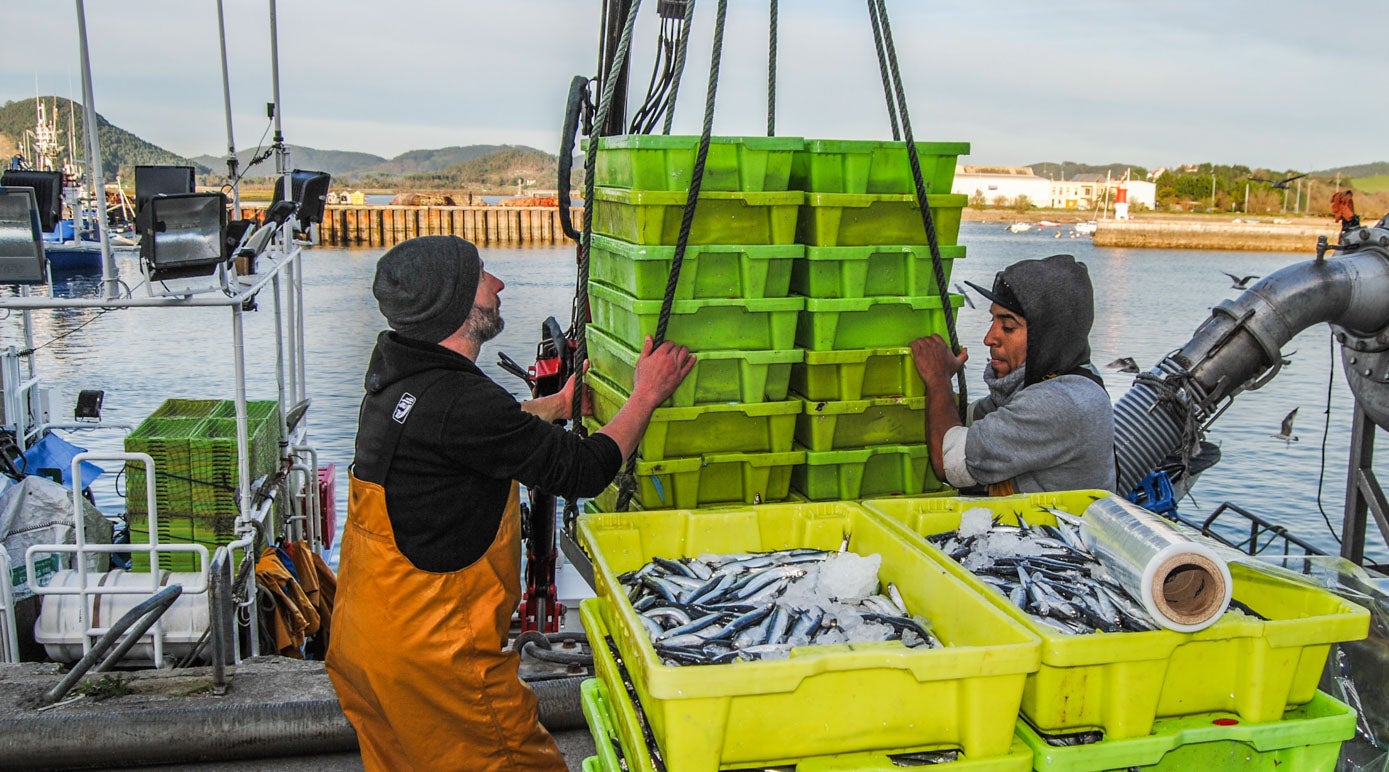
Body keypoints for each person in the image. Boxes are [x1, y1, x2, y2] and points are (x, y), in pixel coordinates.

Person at [326, 235, 694, 771]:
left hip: (366, 644)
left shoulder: (394, 380)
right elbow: (585, 471)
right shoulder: (464, 401)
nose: (498, 285)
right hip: (437, 660)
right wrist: (646, 395)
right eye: (482, 278)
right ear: (453, 306)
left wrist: (557, 404)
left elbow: (476, 435)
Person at [911, 253, 1116, 495]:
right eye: (993, 320)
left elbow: (948, 462)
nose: (989, 339)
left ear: (1048, 338)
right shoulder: (1060, 377)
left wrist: (938, 379)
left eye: (1008, 327)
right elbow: (968, 418)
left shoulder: (1058, 403)